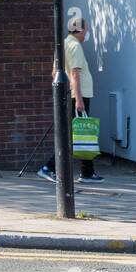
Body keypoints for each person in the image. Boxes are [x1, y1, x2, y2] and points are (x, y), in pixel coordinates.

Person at [38, 15, 103, 184]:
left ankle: (87, 172)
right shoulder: (74, 46)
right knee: (74, 135)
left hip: (71, 95)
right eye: (86, 30)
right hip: (79, 96)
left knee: (81, 132)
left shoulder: (63, 45)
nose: (86, 33)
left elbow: (54, 73)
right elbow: (74, 73)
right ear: (80, 30)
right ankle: (49, 168)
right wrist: (79, 99)